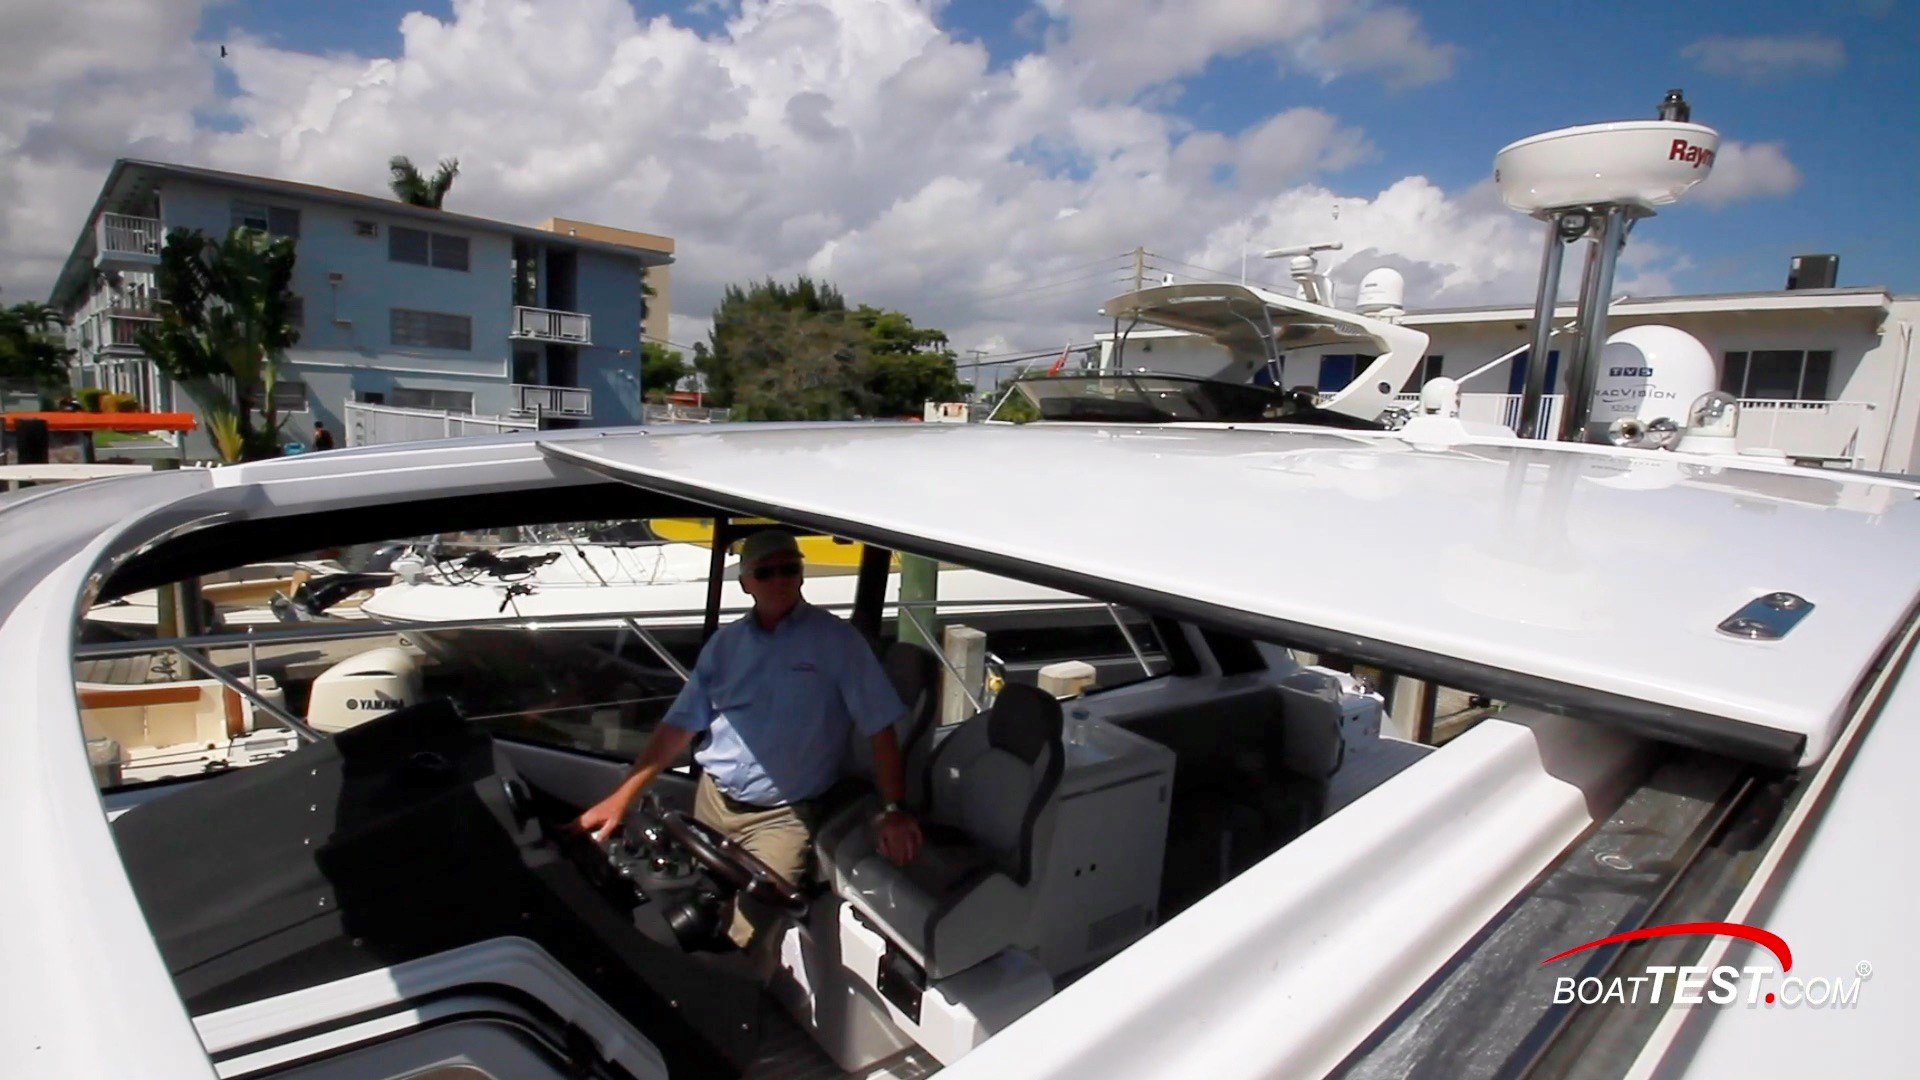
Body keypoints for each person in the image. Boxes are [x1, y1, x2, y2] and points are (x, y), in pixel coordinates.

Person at [575, 529, 923, 948]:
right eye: (766, 572)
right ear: (746, 583)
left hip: (782, 817)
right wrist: (624, 797)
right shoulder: (725, 646)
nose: (779, 580)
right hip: (713, 801)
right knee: (688, 910)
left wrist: (893, 809)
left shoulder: (837, 642)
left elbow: (879, 728)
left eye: (789, 569)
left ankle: (744, 1001)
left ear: (801, 576)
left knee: (749, 939)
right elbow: (678, 726)